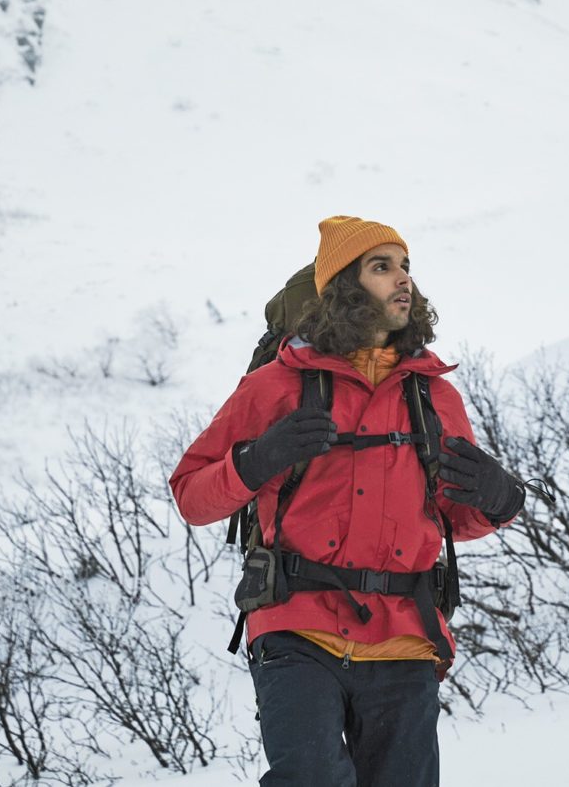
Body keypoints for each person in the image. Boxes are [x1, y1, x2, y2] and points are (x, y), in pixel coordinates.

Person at [170, 215, 525, 787]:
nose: (402, 279)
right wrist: (253, 461)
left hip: (405, 635)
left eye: (405, 265)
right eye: (381, 266)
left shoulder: (435, 395)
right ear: (343, 287)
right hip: (296, 625)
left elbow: (457, 517)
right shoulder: (274, 387)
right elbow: (191, 494)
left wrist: (502, 498)